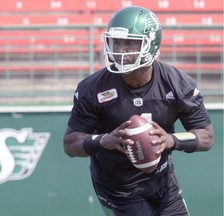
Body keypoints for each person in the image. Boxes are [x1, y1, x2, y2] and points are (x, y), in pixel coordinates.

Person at [63, 6, 214, 216]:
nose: (121, 49)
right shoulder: (93, 88)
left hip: (163, 182)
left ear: (151, 44)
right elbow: (70, 143)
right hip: (118, 189)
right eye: (117, 42)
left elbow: (206, 137)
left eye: (130, 42)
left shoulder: (177, 84)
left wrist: (171, 140)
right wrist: (104, 140)